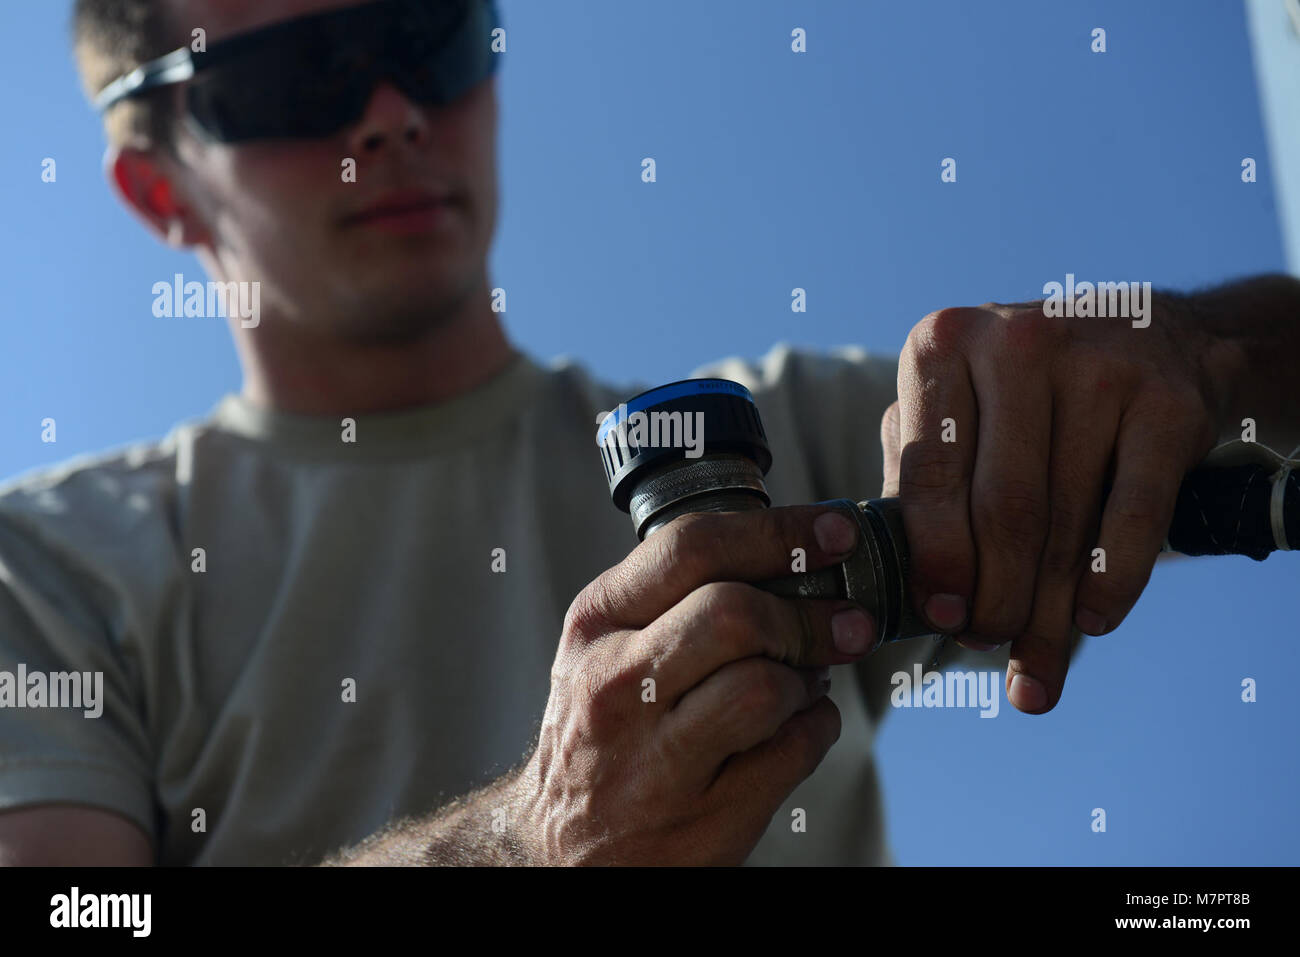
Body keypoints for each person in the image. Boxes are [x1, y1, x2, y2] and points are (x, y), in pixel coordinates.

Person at [0, 0, 1295, 866]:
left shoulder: (789, 438)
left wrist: (1189, 348)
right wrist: (521, 842)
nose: (391, 113)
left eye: (432, 36)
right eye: (296, 77)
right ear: (158, 186)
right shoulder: (50, 570)